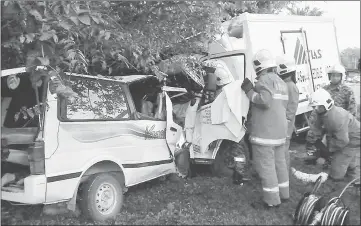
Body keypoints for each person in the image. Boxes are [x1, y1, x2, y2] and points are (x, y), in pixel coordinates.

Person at [241, 49, 289, 208]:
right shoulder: (281, 82)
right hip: (280, 132)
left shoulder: (263, 80)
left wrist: (249, 91)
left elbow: (264, 100)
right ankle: (284, 194)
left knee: (267, 167)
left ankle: (271, 200)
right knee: (280, 164)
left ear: (258, 66)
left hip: (265, 134)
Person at [308, 88, 360, 182]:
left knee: (336, 173)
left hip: (353, 139)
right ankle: (353, 171)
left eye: (318, 106)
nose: (315, 109)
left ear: (327, 104)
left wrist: (327, 152)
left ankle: (350, 178)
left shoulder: (336, 117)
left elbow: (343, 141)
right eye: (314, 106)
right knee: (347, 159)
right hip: (344, 137)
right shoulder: (323, 113)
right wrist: (315, 140)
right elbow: (317, 127)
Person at [306, 64, 357, 154]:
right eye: (333, 75)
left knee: (341, 143)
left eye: (337, 75)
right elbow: (317, 106)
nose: (335, 78)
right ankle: (322, 155)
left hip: (340, 122)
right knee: (323, 141)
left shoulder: (347, 90)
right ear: (329, 76)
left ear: (342, 77)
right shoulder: (324, 89)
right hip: (326, 119)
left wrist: (347, 123)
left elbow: (352, 108)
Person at [276, 55, 299, 170]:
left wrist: (286, 122)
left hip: (285, 125)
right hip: (282, 123)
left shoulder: (291, 86)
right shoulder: (284, 84)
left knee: (283, 149)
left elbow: (292, 109)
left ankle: (285, 171)